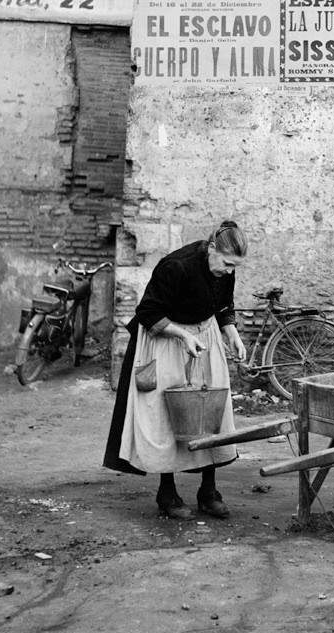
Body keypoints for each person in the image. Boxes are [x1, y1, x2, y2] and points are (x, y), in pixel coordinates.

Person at [103, 220, 248, 519]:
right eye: (227, 263)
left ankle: (208, 492)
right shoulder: (176, 267)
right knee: (166, 413)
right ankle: (167, 493)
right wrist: (183, 336)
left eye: (235, 266)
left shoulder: (225, 272)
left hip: (204, 336)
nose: (230, 271)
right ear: (211, 248)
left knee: (212, 410)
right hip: (167, 338)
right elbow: (147, 312)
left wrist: (231, 333)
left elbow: (223, 306)